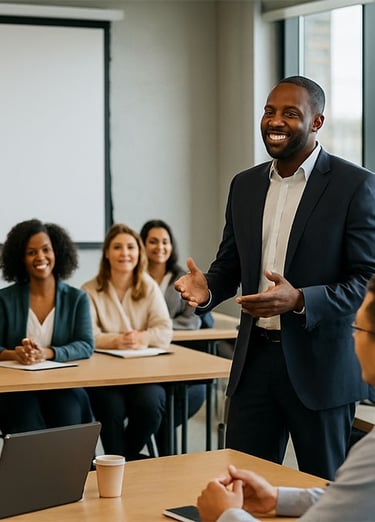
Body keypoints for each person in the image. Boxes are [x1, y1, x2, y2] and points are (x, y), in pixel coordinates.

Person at [175, 75, 375, 480]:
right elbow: (229, 265)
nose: (275, 121)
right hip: (254, 363)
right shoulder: (244, 185)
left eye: (290, 113)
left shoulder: (354, 185)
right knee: (242, 487)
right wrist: (208, 289)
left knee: (326, 490)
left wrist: (300, 299)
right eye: (269, 111)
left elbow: (367, 281)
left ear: (316, 122)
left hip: (322, 367)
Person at [197, 274, 375, 522]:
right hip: (255, 356)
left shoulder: (371, 452)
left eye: (358, 327)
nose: (353, 336)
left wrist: (226, 515)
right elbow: (347, 499)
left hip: (319, 371)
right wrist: (277, 498)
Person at [81, 223, 173, 460]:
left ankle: (122, 460)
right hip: (104, 377)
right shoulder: (89, 290)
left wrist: (143, 337)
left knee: (152, 405)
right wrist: (117, 340)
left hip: (143, 374)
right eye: (117, 247)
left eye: (131, 247)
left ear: (139, 252)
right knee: (110, 408)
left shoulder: (149, 286)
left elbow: (164, 331)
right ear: (107, 253)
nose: (125, 253)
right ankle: (120, 461)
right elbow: (87, 336)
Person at [0, 219, 94, 434]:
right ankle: (33, 469)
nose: (40, 257)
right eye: (31, 252)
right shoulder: (4, 300)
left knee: (69, 410)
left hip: (62, 385)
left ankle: (72, 468)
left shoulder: (76, 298)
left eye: (46, 250)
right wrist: (14, 354)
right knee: (24, 417)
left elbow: (86, 344)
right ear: (21, 258)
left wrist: (48, 353)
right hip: (16, 388)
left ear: (57, 253)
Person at [140, 219, 206, 455]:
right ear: (143, 245)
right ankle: (158, 457)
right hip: (141, 359)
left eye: (165, 242)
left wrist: (157, 330)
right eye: (153, 241)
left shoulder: (183, 278)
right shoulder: (133, 276)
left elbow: (192, 320)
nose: (160, 247)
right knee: (149, 403)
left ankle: (161, 459)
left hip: (177, 356)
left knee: (171, 407)